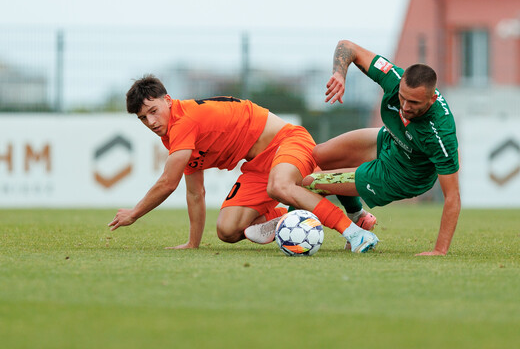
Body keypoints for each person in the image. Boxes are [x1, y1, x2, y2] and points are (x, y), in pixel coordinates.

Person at [108, 75, 379, 253]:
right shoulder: (173, 136)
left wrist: (134, 213)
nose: (151, 122)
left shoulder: (184, 121)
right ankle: (290, 214)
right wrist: (193, 243)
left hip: (288, 141)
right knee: (228, 230)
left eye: (153, 111)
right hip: (259, 165)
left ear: (167, 100)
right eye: (143, 118)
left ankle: (355, 232)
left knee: (281, 185)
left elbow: (168, 183)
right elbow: (194, 192)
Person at [302, 40, 460, 256]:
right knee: (320, 154)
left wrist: (439, 250)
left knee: (311, 182)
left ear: (432, 98)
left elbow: (452, 197)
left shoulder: (440, 133)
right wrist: (340, 74)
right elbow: (348, 47)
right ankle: (359, 217)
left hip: (402, 175)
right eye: (402, 98)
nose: (405, 107)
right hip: (390, 141)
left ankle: (307, 226)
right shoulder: (394, 78)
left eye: (414, 103)